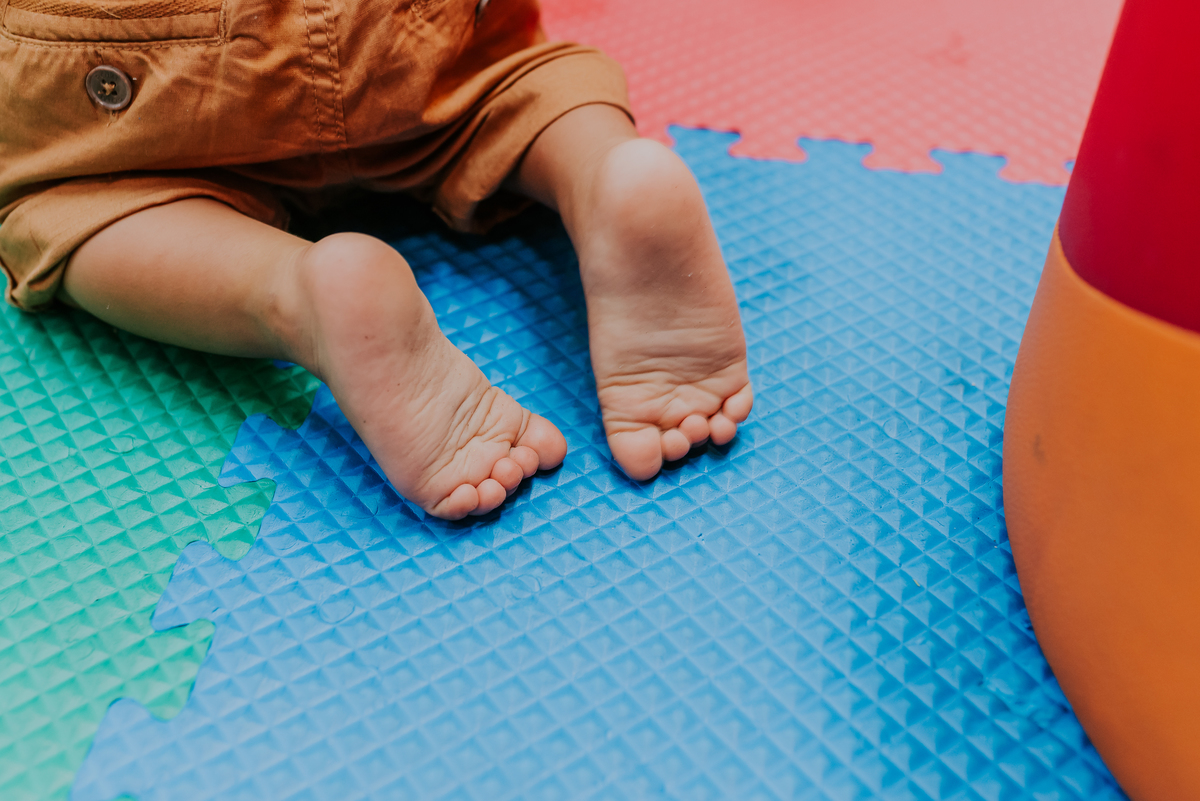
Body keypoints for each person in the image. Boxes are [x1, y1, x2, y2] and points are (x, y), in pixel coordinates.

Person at [0, 0, 752, 519]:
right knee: (503, 87)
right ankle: (598, 170)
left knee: (78, 203)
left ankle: (294, 292)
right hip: (399, 35)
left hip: (143, 61)